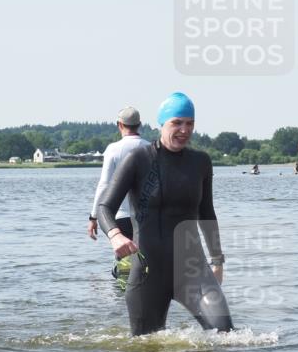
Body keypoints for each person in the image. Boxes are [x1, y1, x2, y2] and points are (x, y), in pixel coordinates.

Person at [97, 92, 233, 336]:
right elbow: (104, 207)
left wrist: (218, 260)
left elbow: (207, 213)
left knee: (226, 335)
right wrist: (115, 235)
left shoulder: (200, 162)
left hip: (194, 271)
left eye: (189, 123)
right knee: (145, 351)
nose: (184, 129)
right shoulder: (139, 159)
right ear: (162, 124)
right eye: (177, 123)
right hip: (148, 273)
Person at [87, 106, 150, 242]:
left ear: (120, 125)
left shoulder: (113, 149)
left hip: (120, 217)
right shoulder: (151, 148)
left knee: (126, 261)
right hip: (147, 217)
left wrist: (94, 216)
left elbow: (104, 185)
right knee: (147, 260)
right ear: (139, 125)